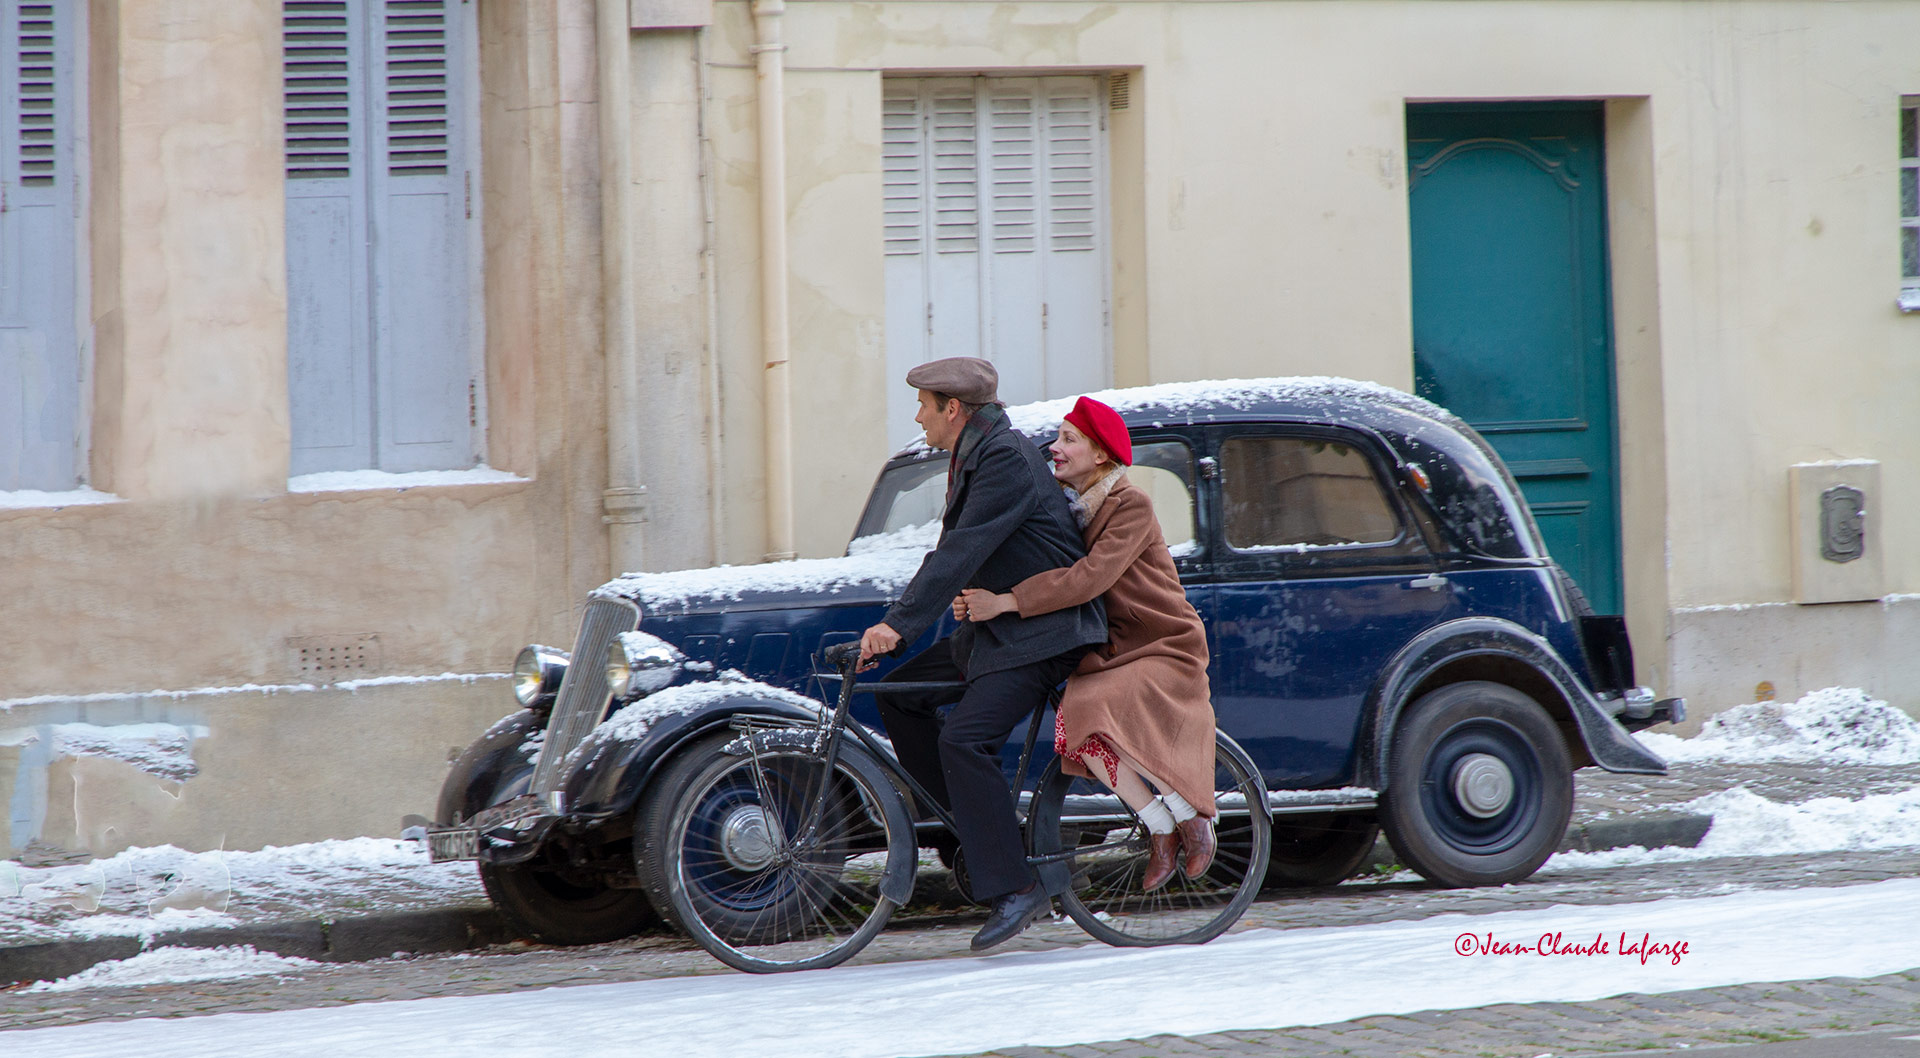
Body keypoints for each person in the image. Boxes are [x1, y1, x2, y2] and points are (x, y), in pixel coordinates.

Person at [855, 357, 1108, 952]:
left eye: (924, 405)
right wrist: (894, 628)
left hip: (1046, 634)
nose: (917, 416)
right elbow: (948, 551)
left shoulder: (1004, 462)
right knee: (901, 695)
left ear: (954, 410)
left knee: (963, 740)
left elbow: (958, 554)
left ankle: (1015, 887)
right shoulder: (978, 453)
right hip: (998, 634)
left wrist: (897, 626)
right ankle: (974, 834)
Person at [957, 395, 1218, 892]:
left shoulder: (1130, 504)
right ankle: (1159, 828)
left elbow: (1089, 578)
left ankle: (1191, 817)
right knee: (1074, 723)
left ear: (1100, 455)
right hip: (1115, 649)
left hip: (1162, 643)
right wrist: (973, 599)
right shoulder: (1072, 506)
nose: (1054, 448)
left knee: (1095, 705)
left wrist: (1006, 602)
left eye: (1067, 439)